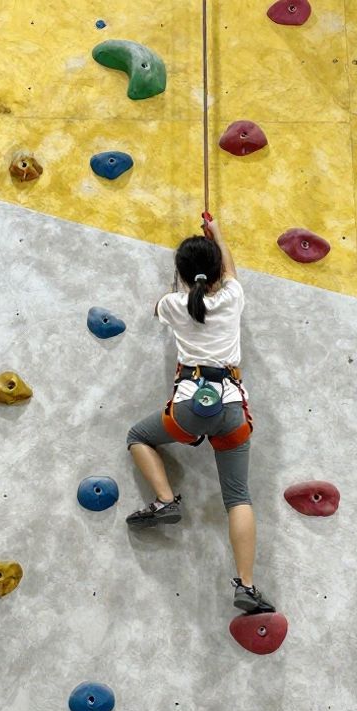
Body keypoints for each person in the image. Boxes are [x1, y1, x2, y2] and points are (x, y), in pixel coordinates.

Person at [124, 216, 274, 615]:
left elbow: (158, 306)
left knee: (138, 436)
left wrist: (181, 284)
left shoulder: (174, 305)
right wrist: (218, 234)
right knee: (238, 497)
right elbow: (231, 273)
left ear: (182, 274)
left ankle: (165, 499)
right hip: (232, 409)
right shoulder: (233, 297)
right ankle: (247, 585)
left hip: (190, 406)